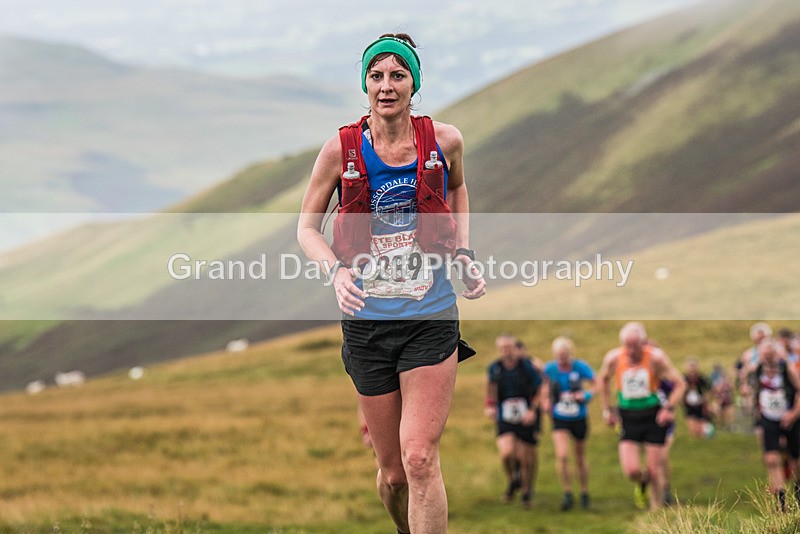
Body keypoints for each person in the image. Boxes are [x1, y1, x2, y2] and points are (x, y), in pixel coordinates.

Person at [297, 33, 485, 534]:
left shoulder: (445, 141)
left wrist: (462, 251)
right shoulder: (340, 150)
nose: (386, 86)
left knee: (421, 458)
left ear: (413, 83)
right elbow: (305, 230)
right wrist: (335, 272)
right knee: (395, 474)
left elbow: (459, 187)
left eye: (397, 75)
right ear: (365, 84)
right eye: (376, 76)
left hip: (431, 316)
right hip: (367, 326)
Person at [597, 322, 686, 510]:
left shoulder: (655, 358)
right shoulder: (614, 358)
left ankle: (656, 514)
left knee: (654, 470)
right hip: (628, 417)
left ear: (643, 343)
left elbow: (680, 383)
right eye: (626, 345)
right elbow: (603, 379)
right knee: (631, 470)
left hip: (653, 417)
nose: (630, 350)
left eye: (634, 345)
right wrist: (607, 409)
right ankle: (641, 482)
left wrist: (668, 408)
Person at [485, 334, 541, 509]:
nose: (507, 352)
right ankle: (512, 479)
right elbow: (490, 388)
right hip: (505, 416)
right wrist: (490, 405)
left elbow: (540, 388)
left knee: (526, 459)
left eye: (509, 348)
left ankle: (526, 493)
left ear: (515, 348)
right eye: (503, 348)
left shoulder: (526, 367)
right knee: (507, 453)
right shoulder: (495, 368)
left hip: (525, 417)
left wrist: (532, 411)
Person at [541, 336, 595, 511]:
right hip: (560, 417)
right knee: (562, 455)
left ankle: (585, 491)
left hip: (578, 416)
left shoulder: (580, 367)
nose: (562, 359)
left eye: (565, 355)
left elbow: (597, 383)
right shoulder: (550, 369)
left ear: (570, 354)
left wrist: (586, 395)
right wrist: (546, 402)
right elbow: (543, 388)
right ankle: (567, 492)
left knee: (580, 457)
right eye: (559, 356)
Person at [753, 339, 800, 511]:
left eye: (770, 354)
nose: (767, 358)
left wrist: (794, 413)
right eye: (764, 354)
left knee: (795, 460)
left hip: (789, 418)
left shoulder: (786, 369)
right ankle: (781, 504)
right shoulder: (758, 370)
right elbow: (750, 384)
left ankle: (797, 494)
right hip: (768, 418)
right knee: (772, 459)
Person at [683, 359, 713, 439]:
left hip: (700, 404)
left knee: (701, 427)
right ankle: (695, 440)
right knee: (692, 428)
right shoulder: (684, 378)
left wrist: (705, 399)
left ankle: (702, 439)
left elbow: (709, 389)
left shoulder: (701, 378)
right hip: (689, 405)